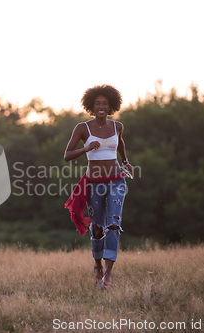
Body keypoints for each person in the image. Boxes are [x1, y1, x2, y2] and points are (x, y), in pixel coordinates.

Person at [63, 84, 133, 289]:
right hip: (94, 184)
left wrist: (125, 160)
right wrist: (86, 147)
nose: (101, 106)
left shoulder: (117, 126)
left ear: (111, 106)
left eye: (105, 103)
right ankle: (97, 263)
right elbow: (67, 155)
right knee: (97, 227)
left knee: (114, 224)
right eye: (97, 103)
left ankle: (108, 274)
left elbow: (120, 143)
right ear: (91, 106)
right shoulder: (82, 128)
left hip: (117, 181)